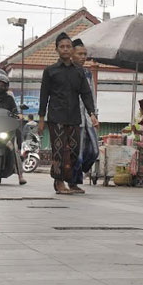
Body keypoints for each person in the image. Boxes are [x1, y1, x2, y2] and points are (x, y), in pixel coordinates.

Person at [38, 32, 99, 194]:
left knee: (73, 151)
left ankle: (70, 180)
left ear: (72, 50)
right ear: (56, 50)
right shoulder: (50, 71)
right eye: (62, 47)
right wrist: (41, 118)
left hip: (74, 117)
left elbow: (86, 94)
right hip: (56, 117)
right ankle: (58, 182)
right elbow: (44, 95)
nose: (65, 50)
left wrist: (92, 113)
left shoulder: (79, 72)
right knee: (58, 150)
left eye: (68, 47)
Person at [69, 38, 99, 193]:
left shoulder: (87, 73)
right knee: (77, 155)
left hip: (88, 118)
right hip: (74, 120)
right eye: (79, 53)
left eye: (85, 54)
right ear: (72, 54)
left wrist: (94, 115)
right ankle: (73, 183)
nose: (83, 57)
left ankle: (79, 171)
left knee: (95, 151)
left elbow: (91, 96)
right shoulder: (67, 71)